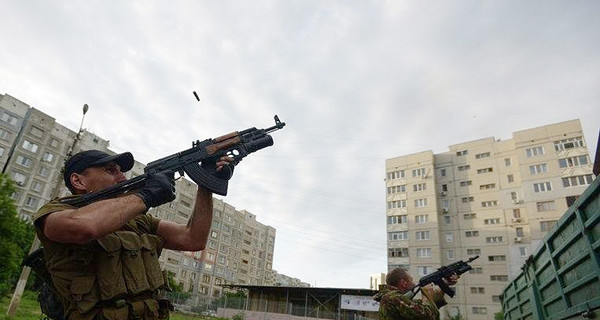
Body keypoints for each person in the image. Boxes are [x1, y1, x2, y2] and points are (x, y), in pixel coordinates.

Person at [32, 150, 232, 320]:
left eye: (121, 172)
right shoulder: (56, 211)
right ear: (78, 180)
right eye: (110, 171)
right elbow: (84, 227)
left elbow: (193, 239)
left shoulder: (138, 221)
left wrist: (206, 184)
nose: (122, 178)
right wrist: (146, 196)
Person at [373, 268, 459, 320]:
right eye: (411, 280)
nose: (414, 283)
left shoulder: (394, 299)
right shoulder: (393, 298)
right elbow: (426, 316)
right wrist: (426, 294)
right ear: (403, 283)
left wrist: (445, 284)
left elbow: (431, 306)